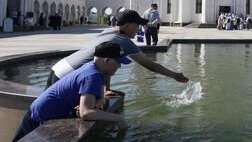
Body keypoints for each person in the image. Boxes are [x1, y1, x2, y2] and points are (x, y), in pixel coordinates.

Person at [10, 42, 131, 142]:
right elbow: (86, 113)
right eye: (118, 62)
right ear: (107, 60)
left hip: (36, 112)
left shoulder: (91, 67)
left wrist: (96, 104)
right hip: (39, 119)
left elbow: (96, 99)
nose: (119, 66)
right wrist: (118, 118)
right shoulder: (92, 76)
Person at [47, 9, 188, 93]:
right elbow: (151, 65)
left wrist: (106, 90)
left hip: (58, 68)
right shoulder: (123, 40)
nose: (139, 28)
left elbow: (105, 65)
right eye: (137, 25)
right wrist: (174, 75)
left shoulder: (108, 31)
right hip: (68, 76)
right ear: (127, 25)